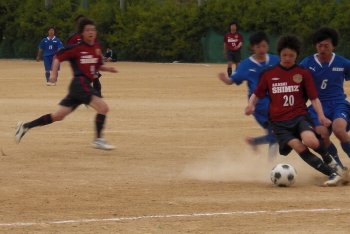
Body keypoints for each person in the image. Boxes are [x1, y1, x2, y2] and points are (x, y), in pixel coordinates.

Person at [245, 35, 343, 186]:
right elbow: (256, 94)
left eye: (291, 55)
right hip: (279, 123)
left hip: (299, 117)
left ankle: (332, 162)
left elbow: (314, 98)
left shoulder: (303, 73)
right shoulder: (269, 74)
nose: (287, 58)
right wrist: (251, 105)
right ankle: (332, 174)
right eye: (284, 55)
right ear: (279, 55)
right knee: (299, 147)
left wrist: (322, 117)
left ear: (297, 56)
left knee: (311, 141)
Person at [15, 18, 117, 150]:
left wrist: (107, 69)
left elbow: (97, 65)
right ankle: (98, 140)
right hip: (80, 83)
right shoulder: (76, 48)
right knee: (103, 108)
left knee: (58, 116)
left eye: (93, 29)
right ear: (81, 33)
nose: (91, 32)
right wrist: (53, 73)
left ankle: (25, 126)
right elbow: (57, 57)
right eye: (87, 30)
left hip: (79, 88)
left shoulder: (96, 47)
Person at [218, 31, 279, 159]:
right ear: (252, 47)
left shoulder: (275, 60)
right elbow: (233, 80)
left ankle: (257, 146)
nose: (261, 49)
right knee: (278, 132)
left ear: (268, 46)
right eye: (257, 47)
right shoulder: (246, 65)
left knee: (276, 134)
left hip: (277, 101)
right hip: (260, 104)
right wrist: (225, 80)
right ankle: (269, 161)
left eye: (263, 46)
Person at [300, 27, 350, 171]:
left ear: (333, 45)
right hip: (317, 106)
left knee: (339, 129)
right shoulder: (307, 63)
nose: (322, 49)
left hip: (339, 104)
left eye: (326, 46)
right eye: (319, 45)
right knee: (321, 135)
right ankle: (339, 169)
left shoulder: (343, 63)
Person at [66, 14, 103, 97]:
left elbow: (96, 46)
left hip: (91, 60)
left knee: (95, 77)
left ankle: (98, 94)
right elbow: (68, 49)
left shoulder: (90, 34)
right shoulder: (74, 37)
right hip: (80, 62)